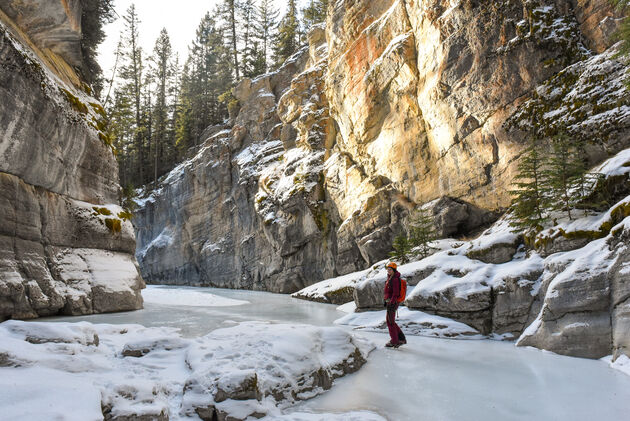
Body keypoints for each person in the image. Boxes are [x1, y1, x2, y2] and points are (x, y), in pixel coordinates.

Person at [383, 262, 407, 348]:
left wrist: (391, 302)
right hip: (390, 302)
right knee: (390, 321)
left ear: (394, 270)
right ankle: (401, 338)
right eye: (388, 269)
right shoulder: (390, 278)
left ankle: (394, 341)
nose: (388, 271)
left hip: (393, 303)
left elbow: (396, 293)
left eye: (390, 269)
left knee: (390, 322)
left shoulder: (395, 279)